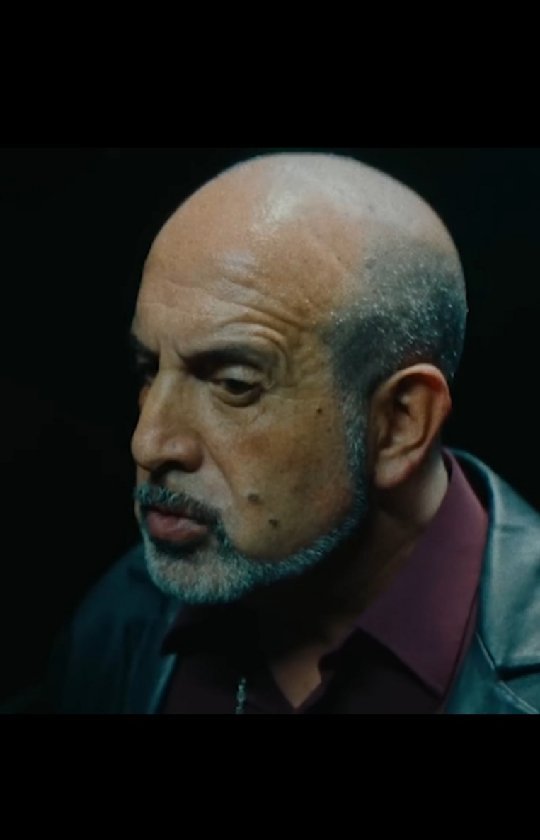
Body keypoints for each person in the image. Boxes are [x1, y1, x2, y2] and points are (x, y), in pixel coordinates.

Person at [40, 153, 540, 713]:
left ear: (401, 424)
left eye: (233, 385)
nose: (148, 444)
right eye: (149, 369)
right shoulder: (122, 616)